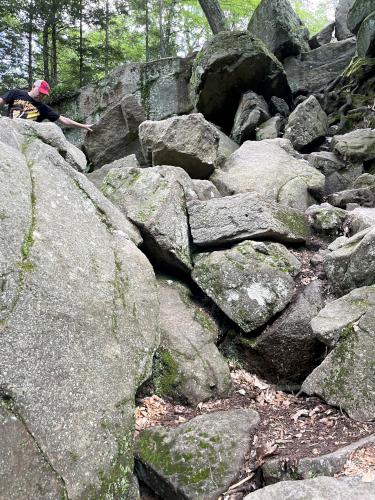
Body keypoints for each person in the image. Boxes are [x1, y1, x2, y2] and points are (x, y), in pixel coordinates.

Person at [0, 79, 93, 132]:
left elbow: (63, 120)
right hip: (9, 129)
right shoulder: (16, 93)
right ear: (33, 87)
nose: (41, 95)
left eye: (43, 94)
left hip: (25, 136)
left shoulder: (43, 108)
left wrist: (83, 126)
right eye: (40, 92)